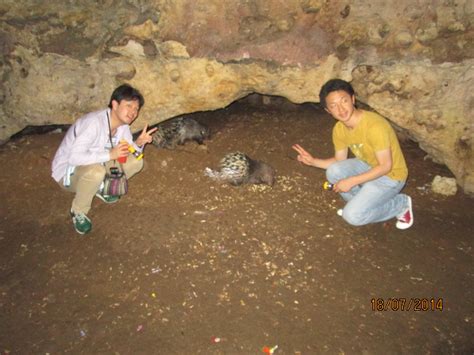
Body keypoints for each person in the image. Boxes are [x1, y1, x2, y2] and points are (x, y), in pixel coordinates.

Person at [292, 79, 413, 229]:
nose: (341, 109)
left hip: (391, 176)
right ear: (328, 111)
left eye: (344, 101)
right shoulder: (339, 129)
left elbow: (386, 166)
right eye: (333, 106)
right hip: (369, 165)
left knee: (353, 216)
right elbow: (339, 160)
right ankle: (362, 204)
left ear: (353, 99)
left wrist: (352, 181)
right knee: (334, 171)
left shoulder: (375, 126)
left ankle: (400, 204)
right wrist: (313, 161)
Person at [51, 84, 157, 235]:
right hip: (68, 174)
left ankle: (101, 188)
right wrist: (110, 155)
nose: (133, 112)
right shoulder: (93, 123)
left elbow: (127, 153)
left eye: (136, 109)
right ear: (114, 104)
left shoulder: (123, 127)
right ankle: (78, 211)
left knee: (136, 162)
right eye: (129, 106)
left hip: (97, 165)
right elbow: (74, 157)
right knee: (96, 171)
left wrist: (138, 144)